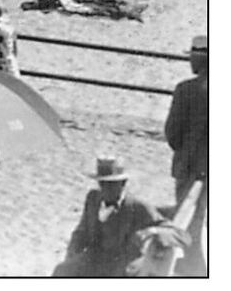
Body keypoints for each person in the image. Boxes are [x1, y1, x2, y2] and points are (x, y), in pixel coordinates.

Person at [52, 156, 162, 277]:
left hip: (122, 266)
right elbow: (81, 231)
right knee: (62, 270)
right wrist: (72, 255)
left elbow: (179, 234)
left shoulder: (138, 207)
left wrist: (152, 231)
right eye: (102, 183)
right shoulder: (93, 198)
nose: (105, 189)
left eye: (111, 184)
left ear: (123, 183)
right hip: (94, 259)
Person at [163, 36, 208, 275]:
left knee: (188, 227)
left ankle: (196, 273)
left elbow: (172, 134)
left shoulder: (186, 90)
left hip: (191, 170)